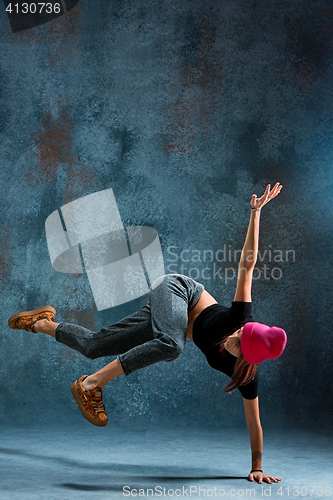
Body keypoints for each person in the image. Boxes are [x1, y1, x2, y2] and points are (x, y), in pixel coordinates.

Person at [8, 182, 286, 485]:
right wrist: (255, 214)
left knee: (94, 345)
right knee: (172, 345)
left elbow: (254, 423)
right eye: (240, 331)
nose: (233, 336)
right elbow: (248, 264)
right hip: (177, 290)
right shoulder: (239, 316)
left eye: (238, 342)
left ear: (247, 356)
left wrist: (256, 466)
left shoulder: (245, 375)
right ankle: (91, 384)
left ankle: (41, 323)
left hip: (170, 322)